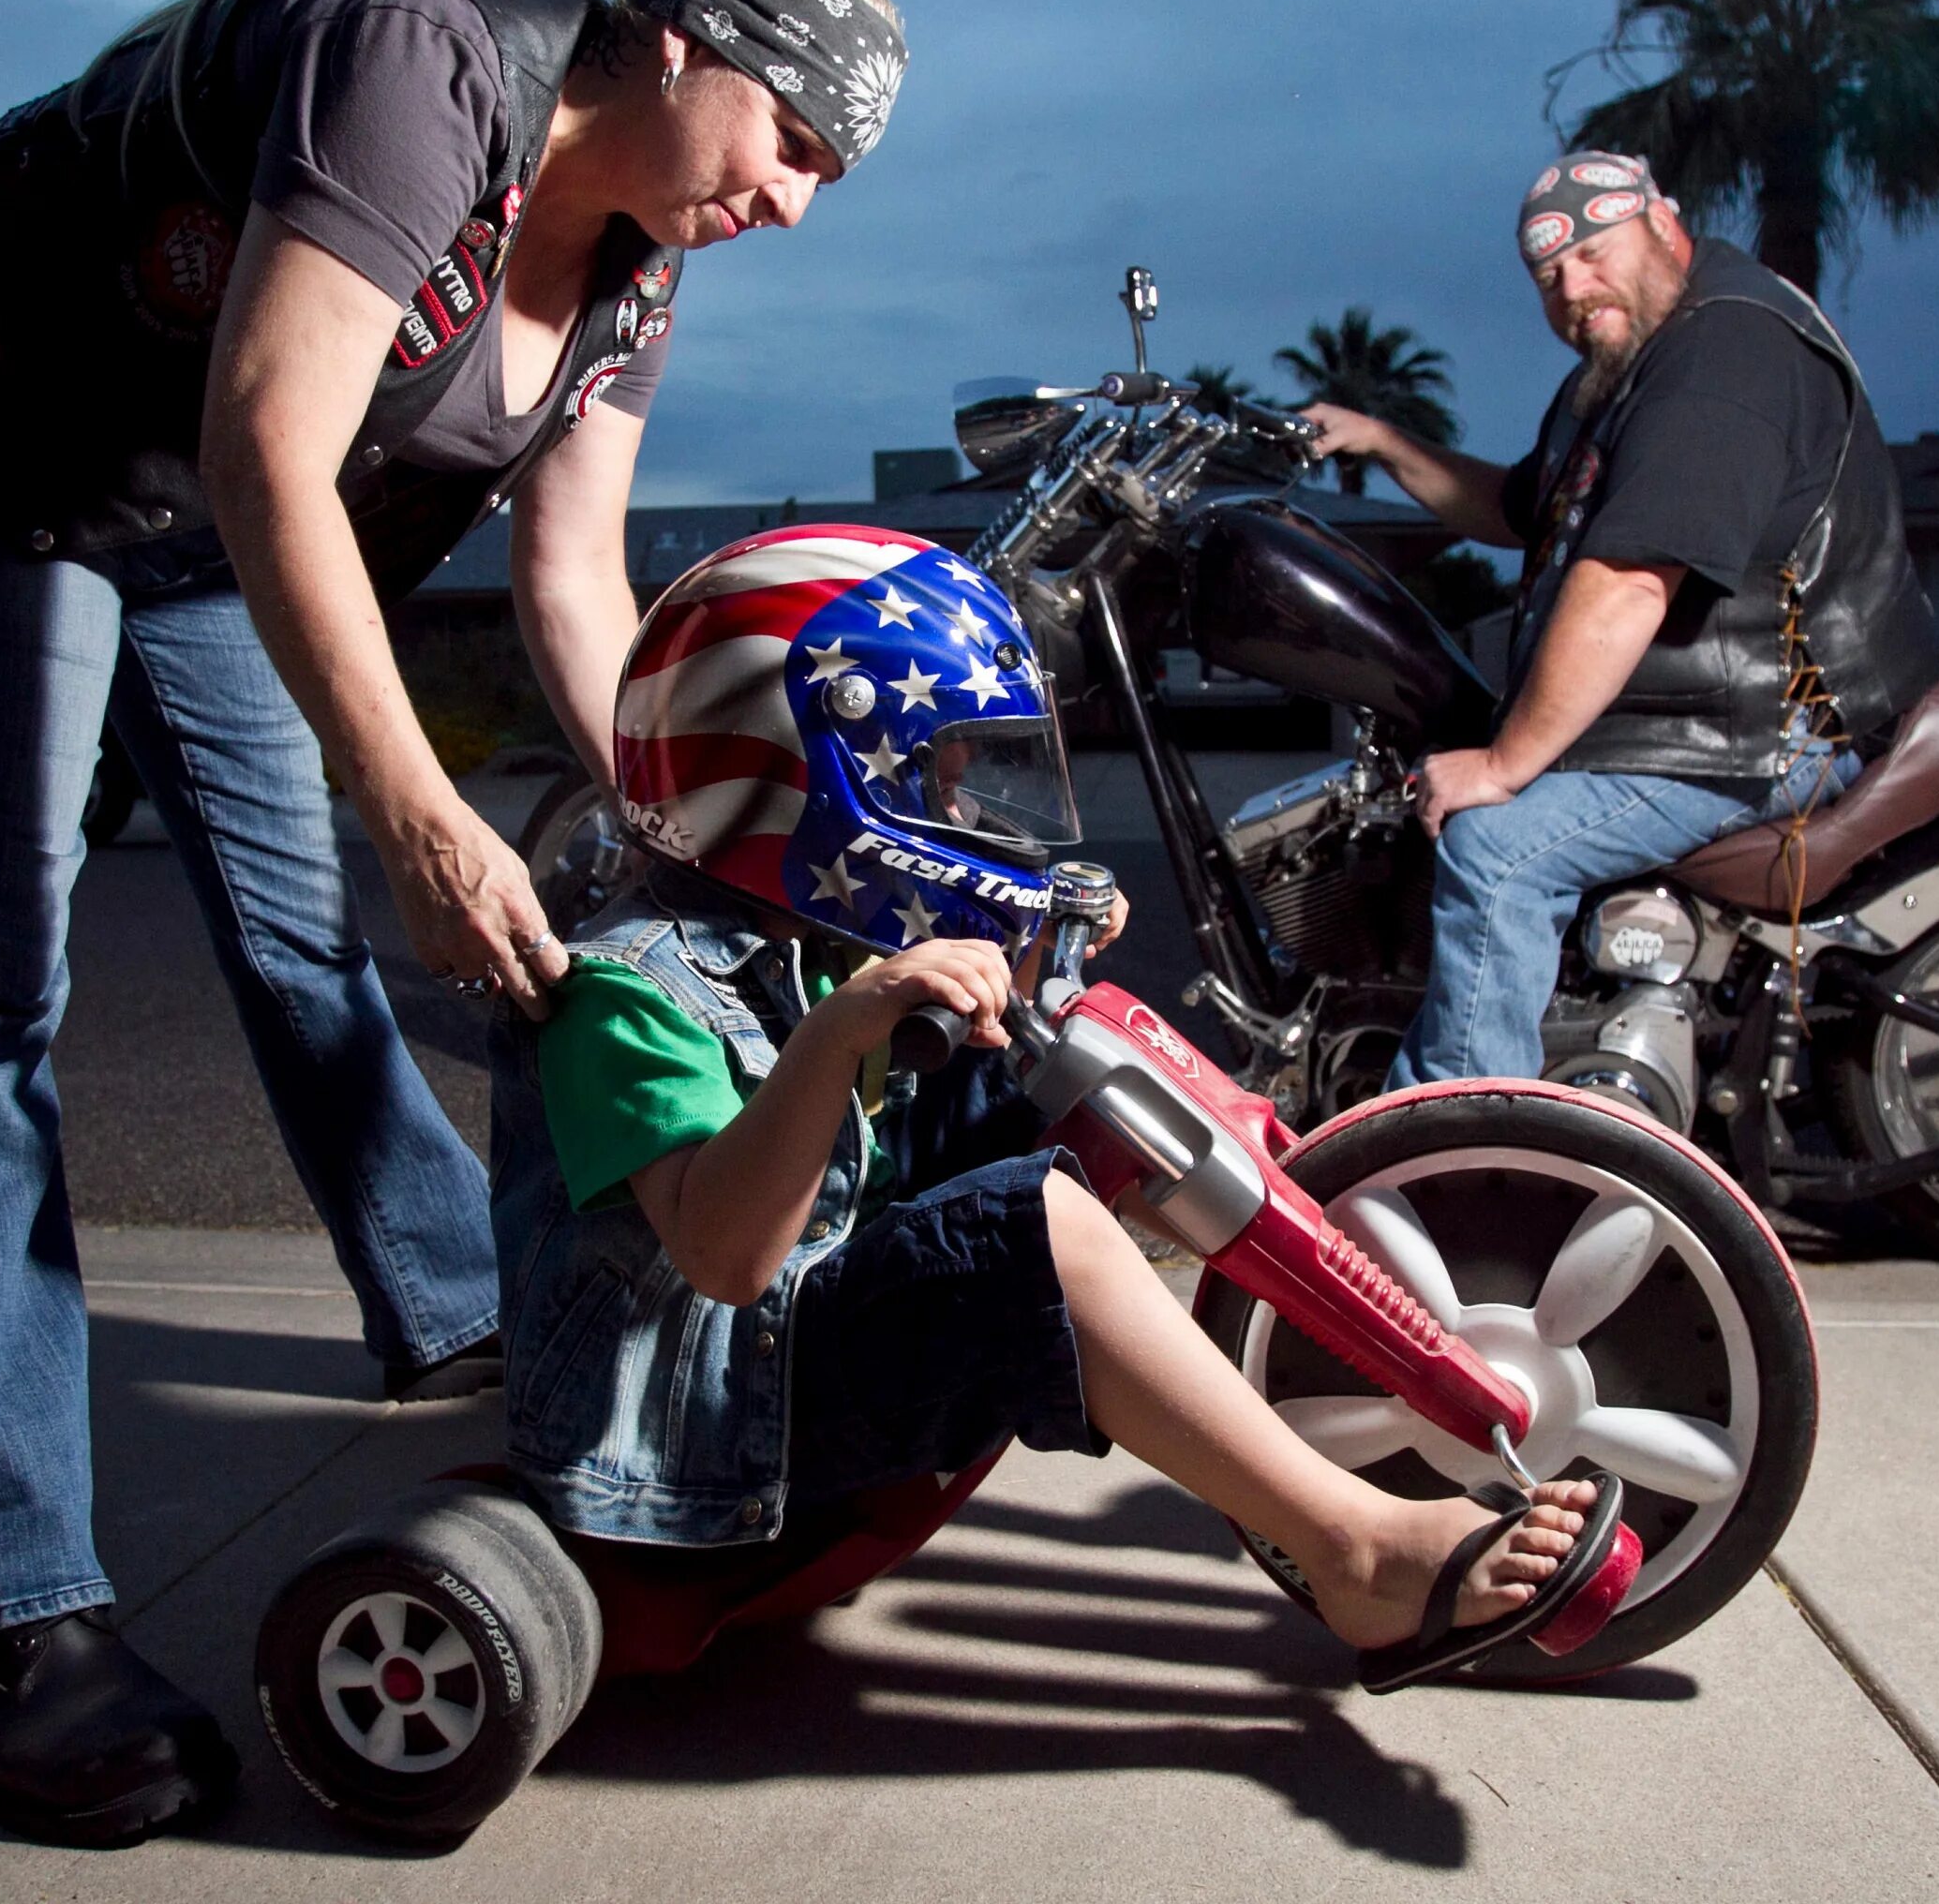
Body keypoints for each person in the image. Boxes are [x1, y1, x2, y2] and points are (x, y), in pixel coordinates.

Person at [0, 0, 909, 1845]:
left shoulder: (644, 268)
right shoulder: (415, 58)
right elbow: (273, 435)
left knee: (304, 930)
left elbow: (578, 585)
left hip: (189, 507)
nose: (801, 200)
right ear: (680, 44)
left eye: (836, 172)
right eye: (801, 140)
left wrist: (715, 828)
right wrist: (417, 802)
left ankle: (442, 1298)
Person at [491, 527, 1621, 1703]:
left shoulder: (806, 934)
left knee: (1051, 1080)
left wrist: (1034, 973)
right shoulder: (621, 996)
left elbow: (900, 1131)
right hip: (701, 1439)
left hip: (780, 1374)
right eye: (929, 778)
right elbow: (726, 1257)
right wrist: (844, 1028)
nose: (960, 804)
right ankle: (1360, 1553)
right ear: (796, 780)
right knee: (1034, 1224)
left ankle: (1332, 1368)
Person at [1302, 152, 1939, 1085]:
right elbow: (1518, 510)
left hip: (1767, 726)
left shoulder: (1722, 354)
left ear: (1662, 223)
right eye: (1547, 273)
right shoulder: (1626, 363)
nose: (1571, 285)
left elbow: (1631, 580)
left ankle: (1462, 1148)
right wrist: (1382, 440)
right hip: (1697, 713)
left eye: (1591, 251)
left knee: (1498, 852)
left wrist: (1504, 763)